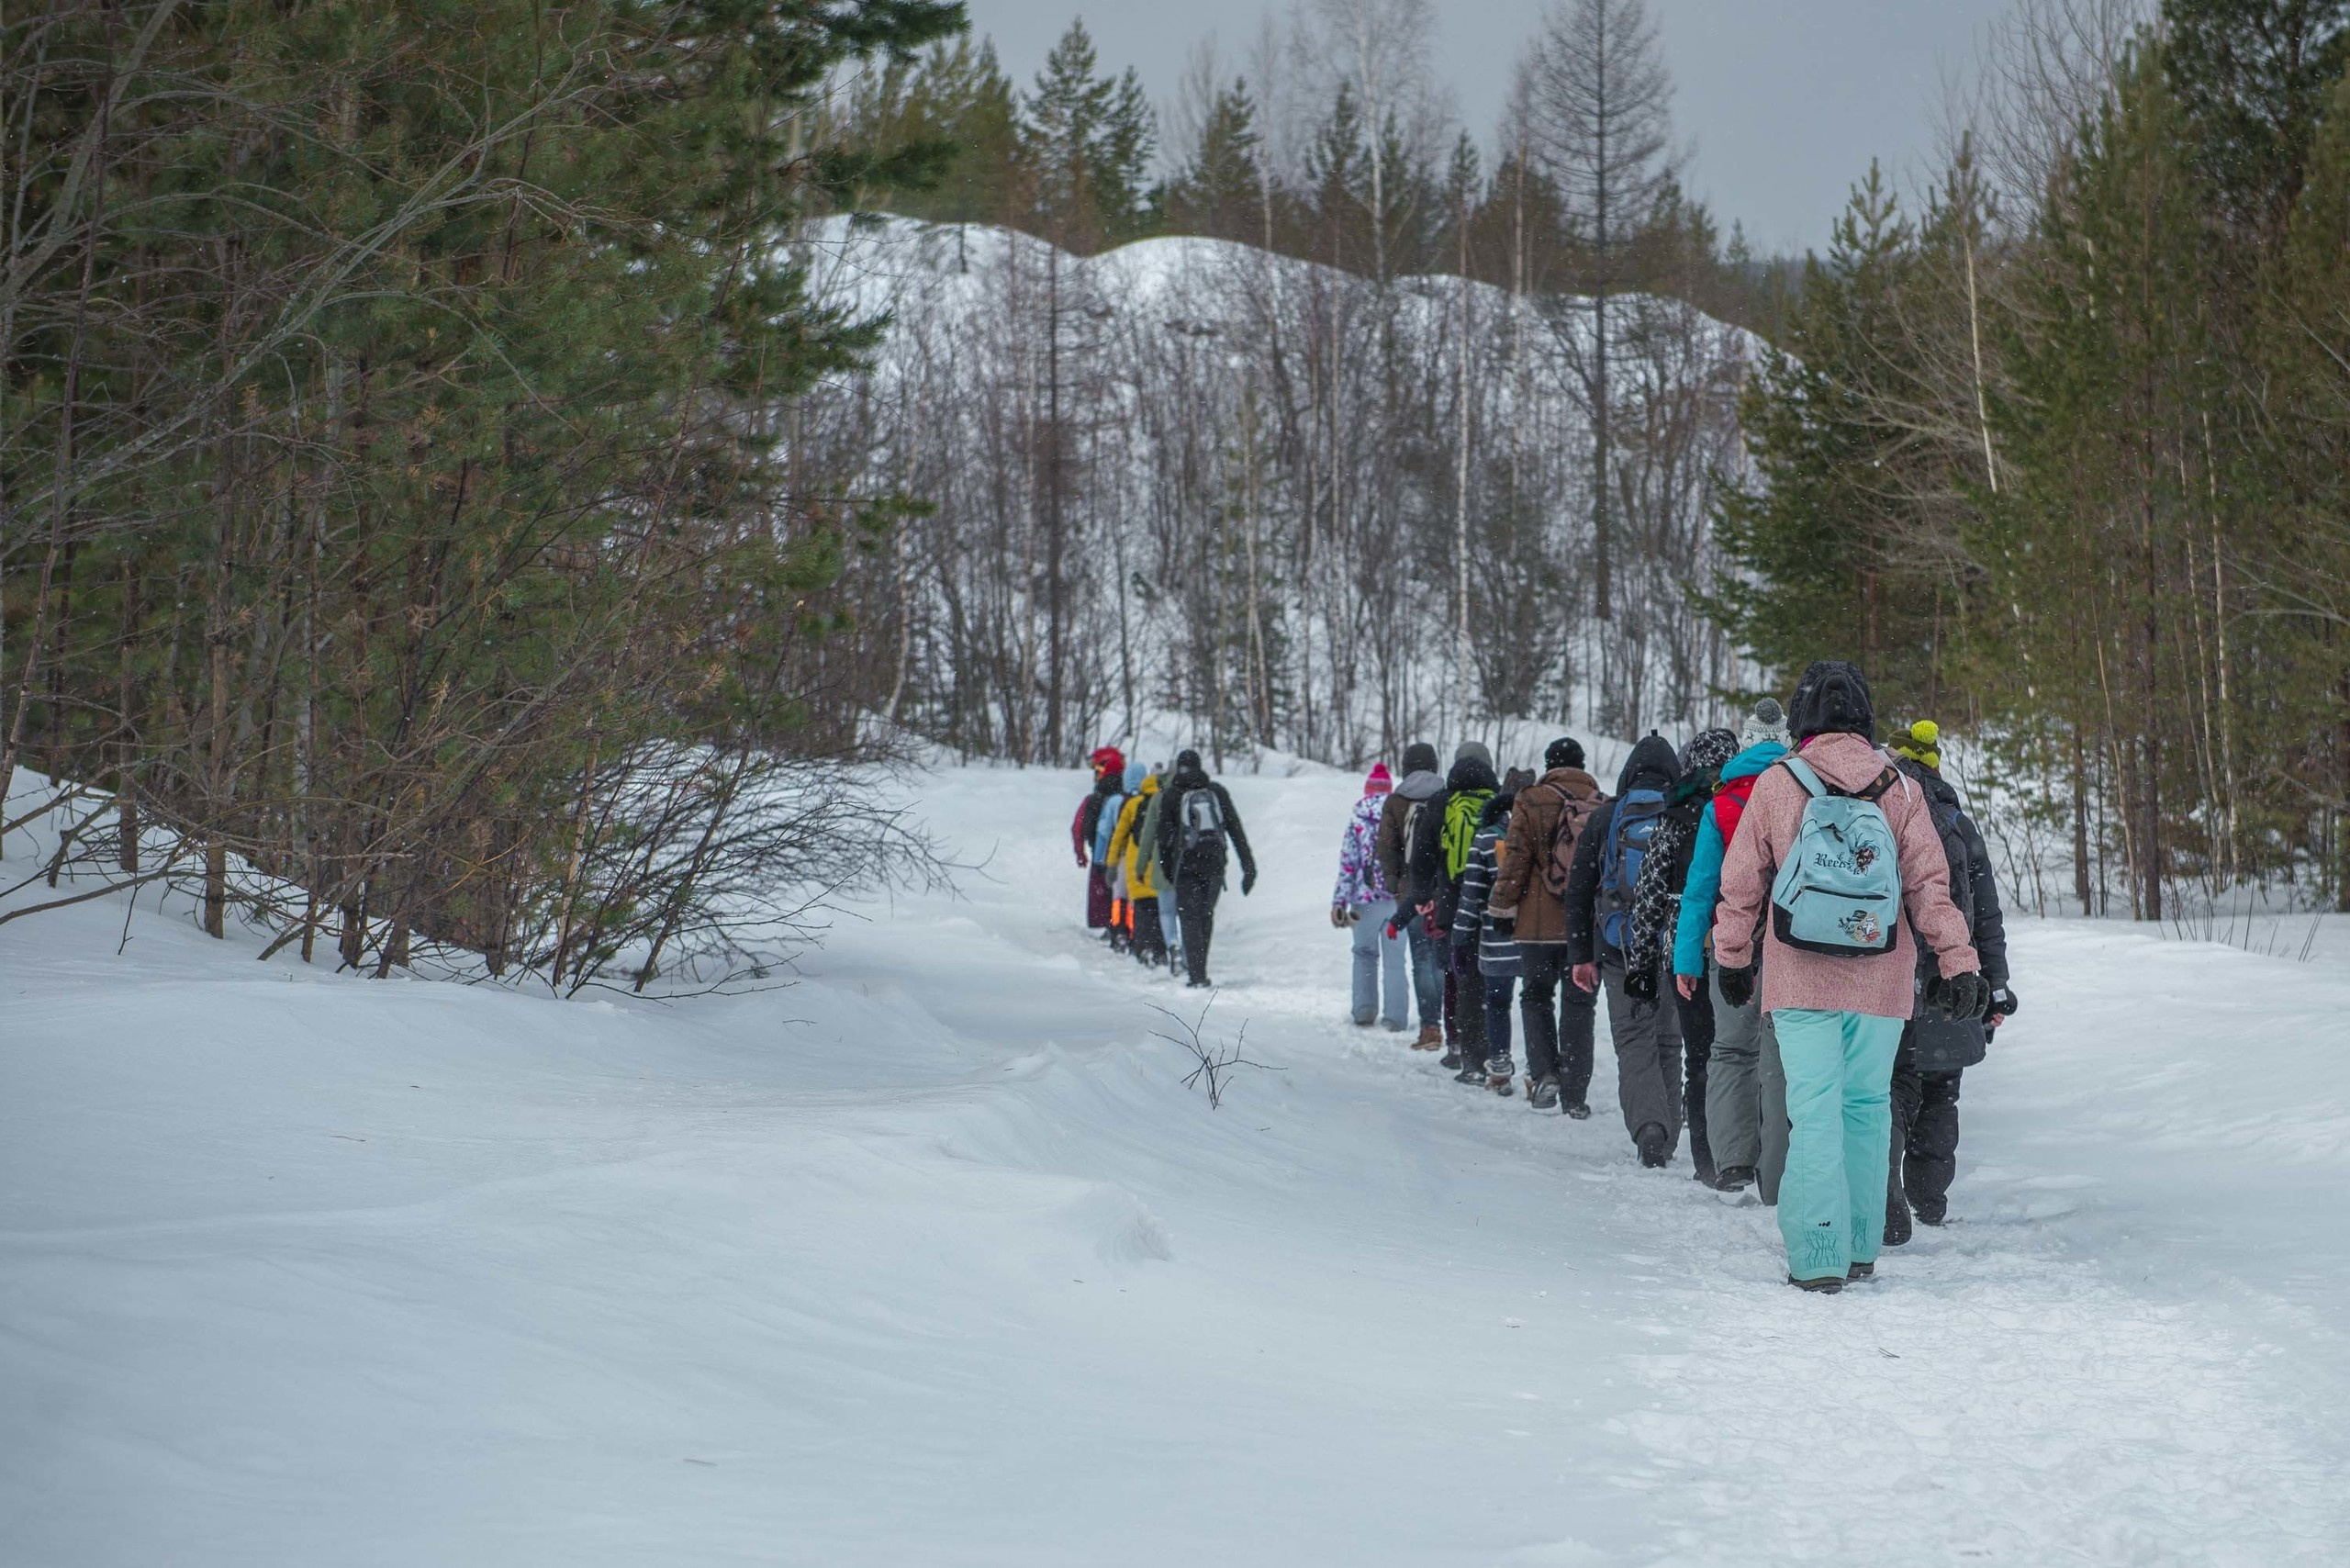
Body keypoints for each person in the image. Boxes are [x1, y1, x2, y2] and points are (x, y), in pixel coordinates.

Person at [1710, 662, 1986, 1294]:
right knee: (1866, 1108)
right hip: (1881, 978)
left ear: (1804, 718)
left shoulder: (1778, 784)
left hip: (1800, 975)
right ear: (1865, 716)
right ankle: (1862, 1246)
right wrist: (1957, 960)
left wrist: (1730, 956)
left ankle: (1818, 1255)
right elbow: (1930, 887)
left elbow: (1741, 881)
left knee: (1812, 1111)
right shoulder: (1900, 787)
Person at [1882, 720, 2016, 1243]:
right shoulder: (1958, 823)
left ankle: (1885, 1190)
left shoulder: (1883, 812)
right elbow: (1987, 915)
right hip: (1952, 979)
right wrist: (1996, 983)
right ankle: (1929, 1199)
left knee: (1890, 1090)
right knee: (1941, 1091)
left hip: (1891, 975)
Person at [1673, 700, 1792, 1199]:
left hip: (1732, 945)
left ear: (1744, 744)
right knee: (1781, 1056)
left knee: (1729, 1049)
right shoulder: (1801, 791)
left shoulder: (1720, 804)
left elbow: (1700, 889)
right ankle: (1779, 1171)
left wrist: (1685, 959)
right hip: (1792, 943)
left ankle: (1733, 1161)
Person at [1623, 727, 1741, 1186]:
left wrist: (1640, 964)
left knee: (1701, 1056)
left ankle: (1708, 1160)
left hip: (1686, 949)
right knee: (1739, 1054)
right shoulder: (1743, 804)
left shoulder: (1675, 811)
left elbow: (1649, 892)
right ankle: (1740, 1151)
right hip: (1739, 946)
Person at [1564, 733, 1686, 1168]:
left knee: (1635, 1040)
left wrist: (1582, 953)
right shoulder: (1682, 813)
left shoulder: (1608, 817)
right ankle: (1667, 1132)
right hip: (1671, 949)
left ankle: (1648, 1129)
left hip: (1621, 947)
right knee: (1669, 1041)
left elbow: (1579, 890)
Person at [1489, 736, 1605, 1114]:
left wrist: (1502, 907)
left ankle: (1545, 1074)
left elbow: (1517, 859)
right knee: (1580, 1005)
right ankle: (1575, 1095)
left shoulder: (1531, 798)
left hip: (1537, 923)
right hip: (1583, 926)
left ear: (1549, 763)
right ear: (1583, 764)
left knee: (1536, 996)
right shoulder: (1599, 802)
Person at [1408, 741, 1500, 1071]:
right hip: (1496, 906)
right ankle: (1495, 1052)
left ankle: (1466, 1052)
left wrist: (1421, 896)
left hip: (1453, 905)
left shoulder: (1441, 802)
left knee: (1461, 980)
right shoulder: (1499, 801)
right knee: (1494, 983)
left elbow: (1422, 857)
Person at [1450, 766, 1533, 1093]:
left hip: (1495, 939)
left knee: (1497, 1003)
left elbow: (1470, 894)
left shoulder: (1485, 837)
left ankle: (1499, 1068)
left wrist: (1459, 938)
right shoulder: (1542, 835)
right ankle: (1535, 1071)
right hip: (1533, 939)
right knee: (1535, 1003)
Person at [1155, 749, 1258, 988]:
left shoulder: (1171, 795)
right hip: (1213, 863)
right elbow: (1235, 829)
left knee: (1188, 917)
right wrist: (1248, 866)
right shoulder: (1216, 792)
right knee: (1205, 914)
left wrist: (1168, 869)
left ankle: (1196, 973)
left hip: (1185, 864)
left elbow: (1163, 838)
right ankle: (1199, 966)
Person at [1377, 743, 1449, 1049]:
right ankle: (1454, 1025)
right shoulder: (1448, 796)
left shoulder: (1396, 801)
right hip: (1445, 890)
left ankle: (1430, 1028)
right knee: (1443, 958)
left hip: (1412, 889)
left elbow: (1386, 846)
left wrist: (1394, 884)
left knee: (1421, 957)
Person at [1332, 764, 1411, 1030]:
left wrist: (1339, 902)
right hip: (1397, 899)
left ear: (1367, 790)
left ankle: (1364, 1010)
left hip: (1363, 901)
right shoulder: (1400, 816)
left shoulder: (1357, 820)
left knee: (1364, 953)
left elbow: (1348, 864)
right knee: (1395, 958)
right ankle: (1396, 1017)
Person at [1105, 762, 1167, 969]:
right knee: (1160, 910)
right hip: (1159, 865)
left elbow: (1117, 837)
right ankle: (1160, 950)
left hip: (1134, 864)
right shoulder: (1163, 802)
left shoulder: (1131, 805)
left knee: (1140, 909)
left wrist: (1112, 863)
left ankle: (1137, 944)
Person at [1074, 746, 1125, 935]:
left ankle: (1109, 926)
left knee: (1103, 894)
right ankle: (1122, 928)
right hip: (1126, 854)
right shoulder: (1129, 796)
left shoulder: (1094, 798)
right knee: (1121, 893)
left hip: (1101, 854)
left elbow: (1079, 827)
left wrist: (1081, 851)